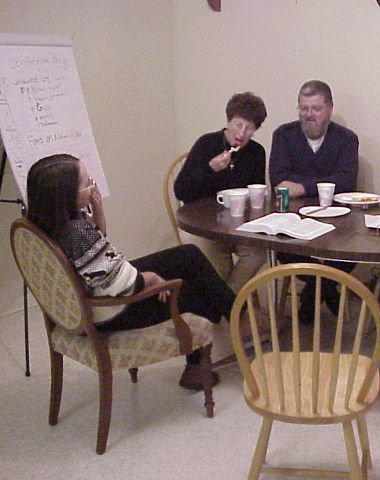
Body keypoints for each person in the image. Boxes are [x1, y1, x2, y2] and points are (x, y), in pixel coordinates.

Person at [27, 154, 237, 391]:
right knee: (194, 291)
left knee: (187, 255)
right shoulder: (76, 233)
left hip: (92, 294)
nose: (93, 185)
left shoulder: (49, 221)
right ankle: (208, 356)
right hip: (109, 309)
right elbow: (119, 284)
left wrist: (98, 209)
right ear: (66, 195)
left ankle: (237, 315)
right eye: (87, 183)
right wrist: (151, 279)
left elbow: (95, 250)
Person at [269, 80, 359, 323]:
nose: (309, 114)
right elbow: (278, 179)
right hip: (293, 219)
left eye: (316, 108)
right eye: (304, 108)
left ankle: (311, 295)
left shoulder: (346, 139)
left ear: (329, 109)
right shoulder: (283, 135)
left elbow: (346, 180)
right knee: (283, 248)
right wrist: (325, 183)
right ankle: (328, 290)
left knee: (351, 251)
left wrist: (302, 187)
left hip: (337, 221)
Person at [174, 92, 268, 293]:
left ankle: (226, 302)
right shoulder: (206, 144)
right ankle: (231, 304)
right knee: (217, 269)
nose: (241, 133)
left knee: (259, 252)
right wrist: (211, 168)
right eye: (238, 124)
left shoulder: (256, 152)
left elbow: (256, 194)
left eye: (249, 128)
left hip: (240, 227)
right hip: (203, 226)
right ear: (228, 121)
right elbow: (181, 190)